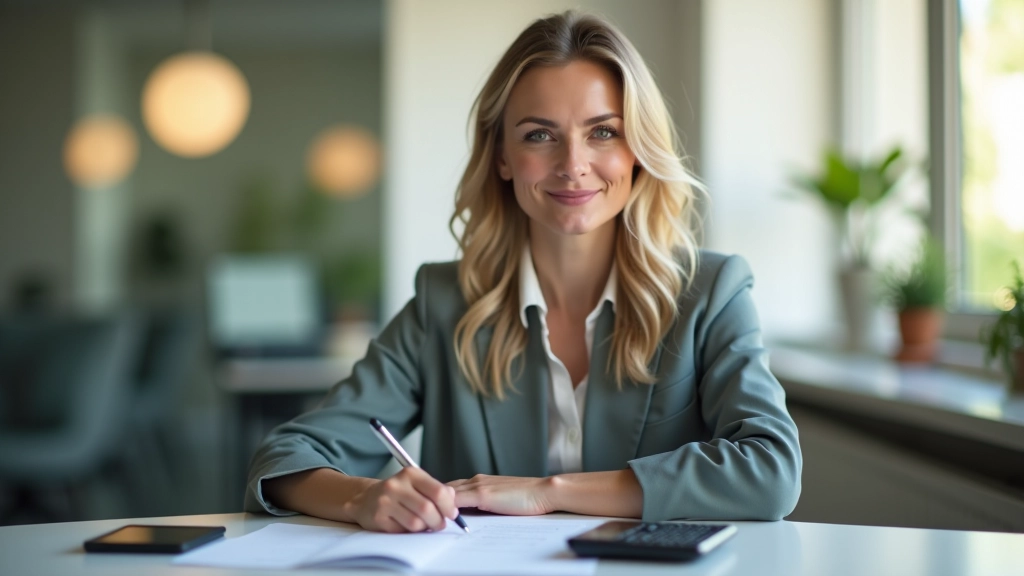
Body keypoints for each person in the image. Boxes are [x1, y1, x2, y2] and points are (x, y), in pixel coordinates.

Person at [246, 10, 802, 533]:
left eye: (603, 132)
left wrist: (548, 492)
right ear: (502, 157)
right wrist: (361, 498)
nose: (573, 164)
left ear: (637, 149)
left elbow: (771, 469)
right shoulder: (444, 303)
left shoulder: (712, 293)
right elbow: (285, 458)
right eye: (539, 135)